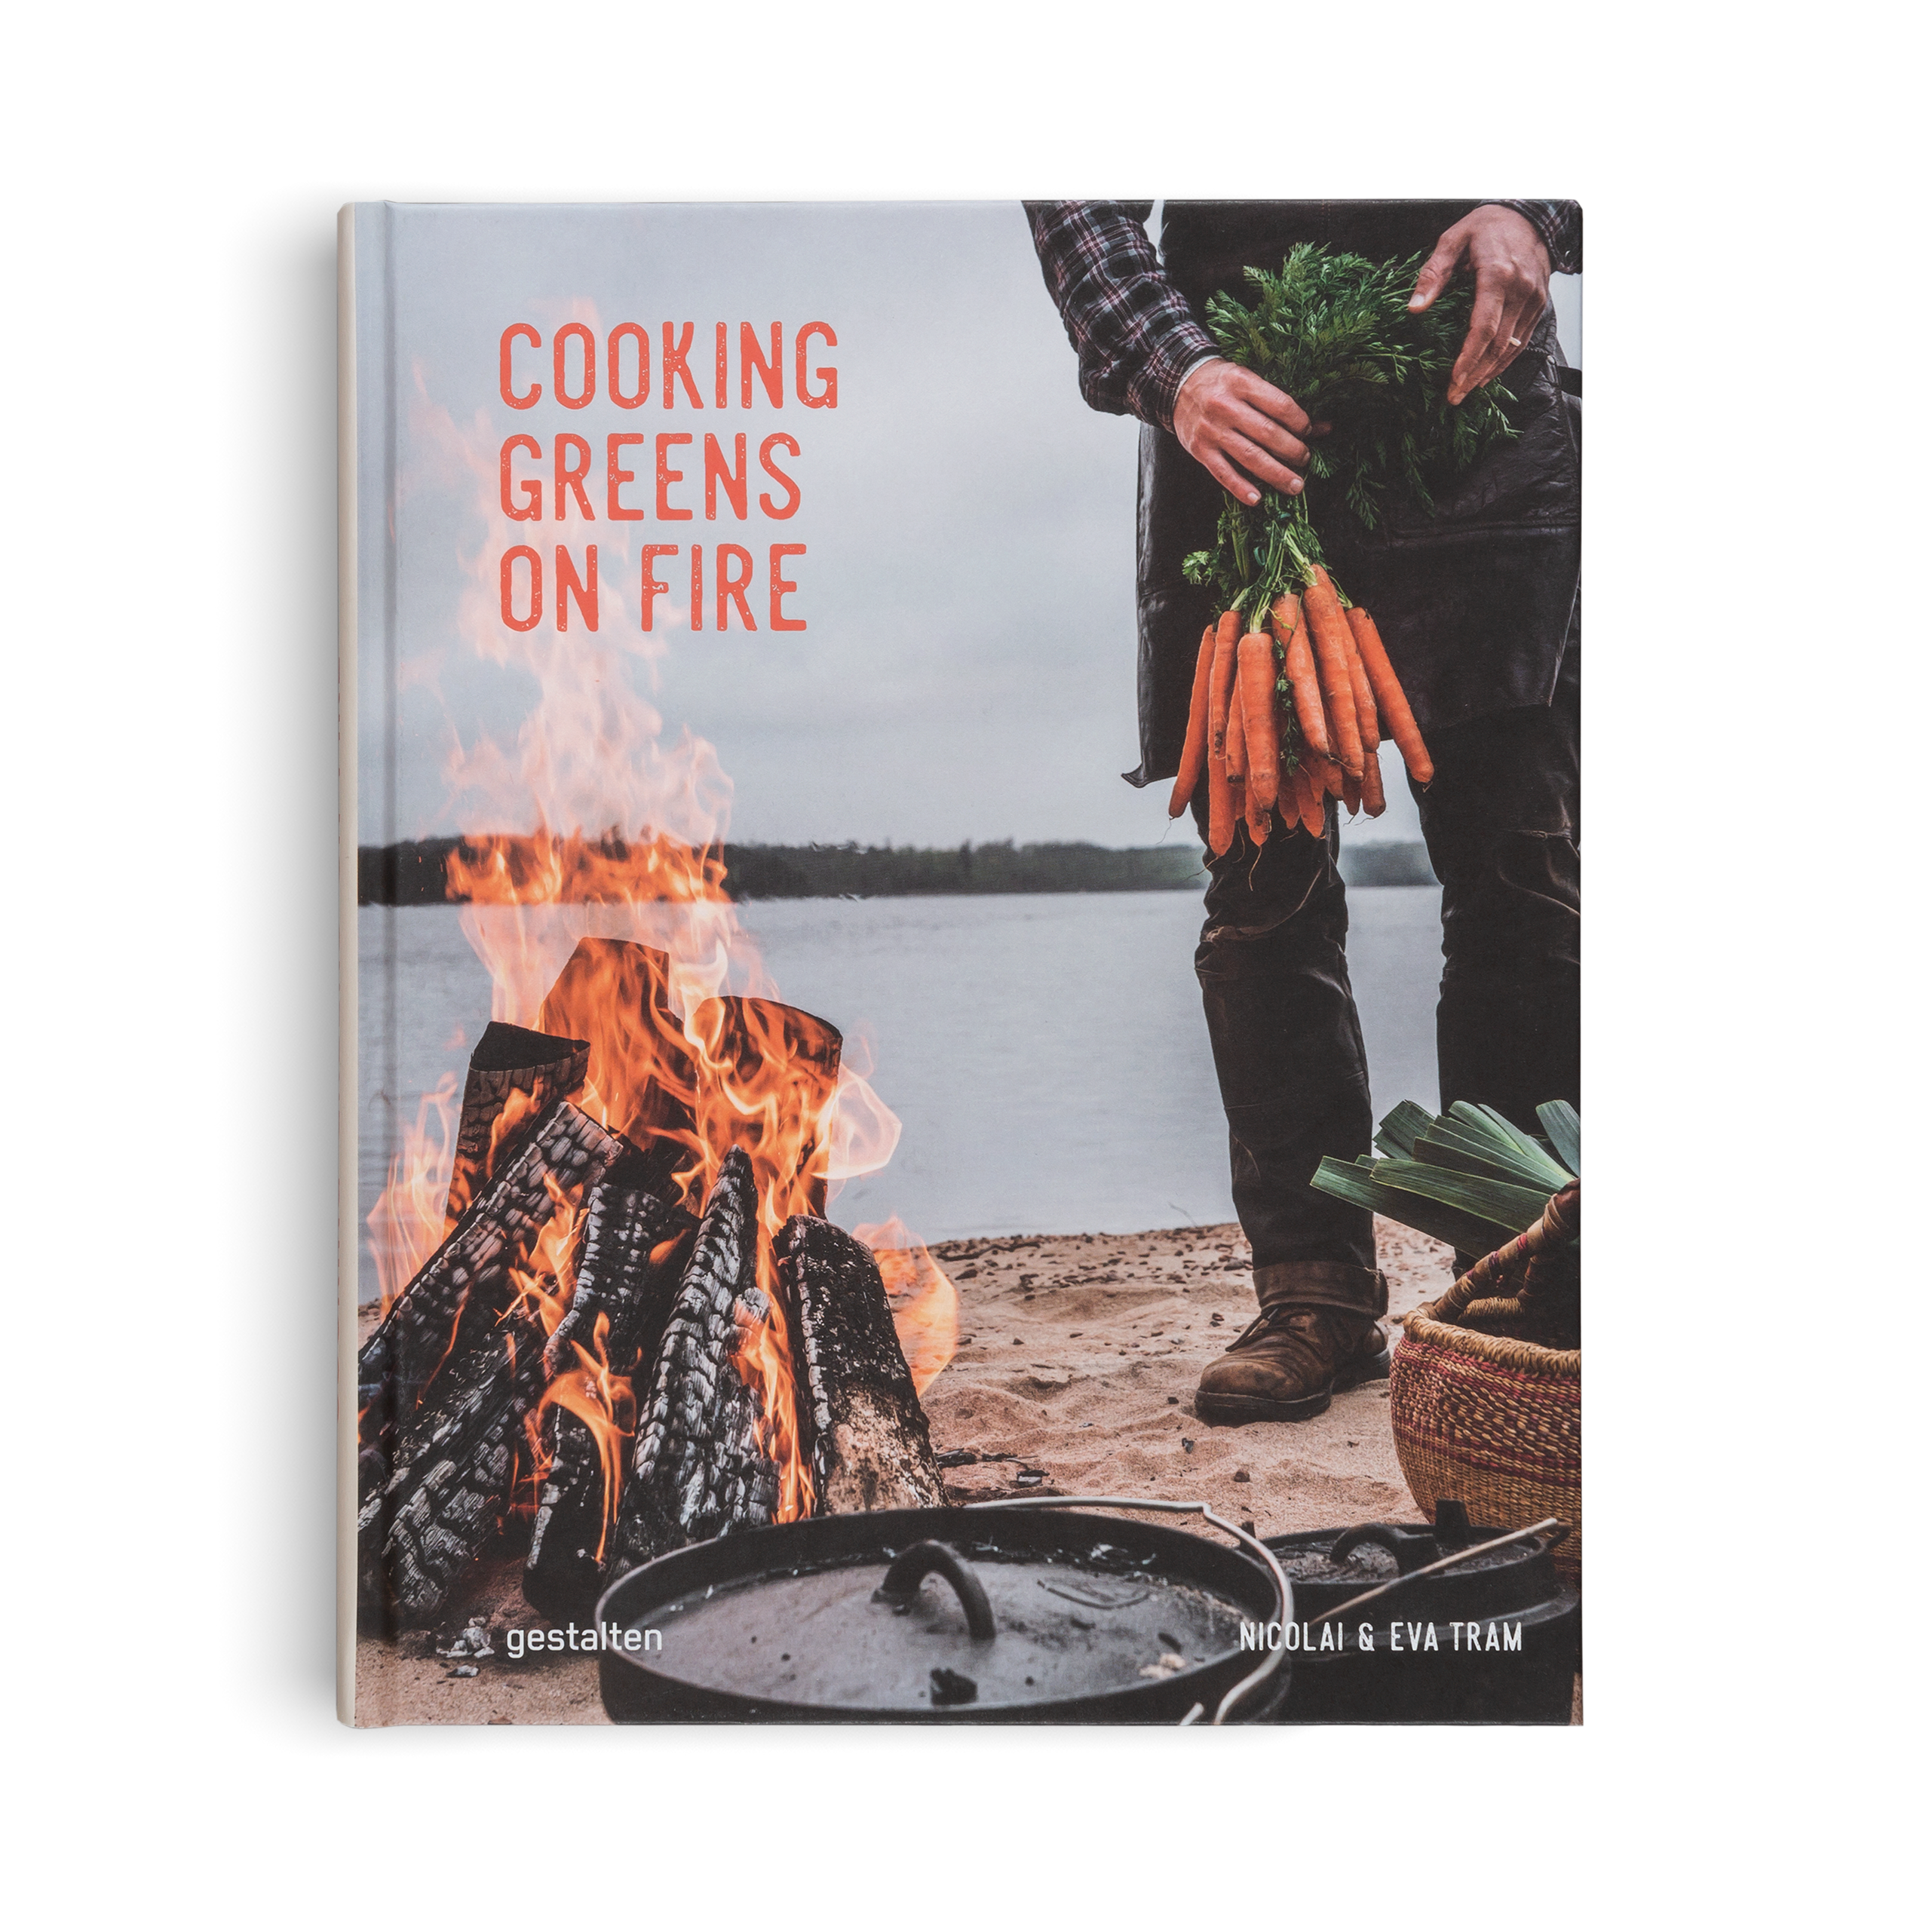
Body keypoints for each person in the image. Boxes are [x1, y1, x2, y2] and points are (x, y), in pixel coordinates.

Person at [1029, 199, 1581, 1425]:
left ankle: (1517, 1275)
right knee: (1263, 897)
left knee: (1524, 874)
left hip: (1481, 422)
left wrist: (1531, 218)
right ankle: (1316, 1292)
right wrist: (1175, 372)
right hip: (1238, 419)